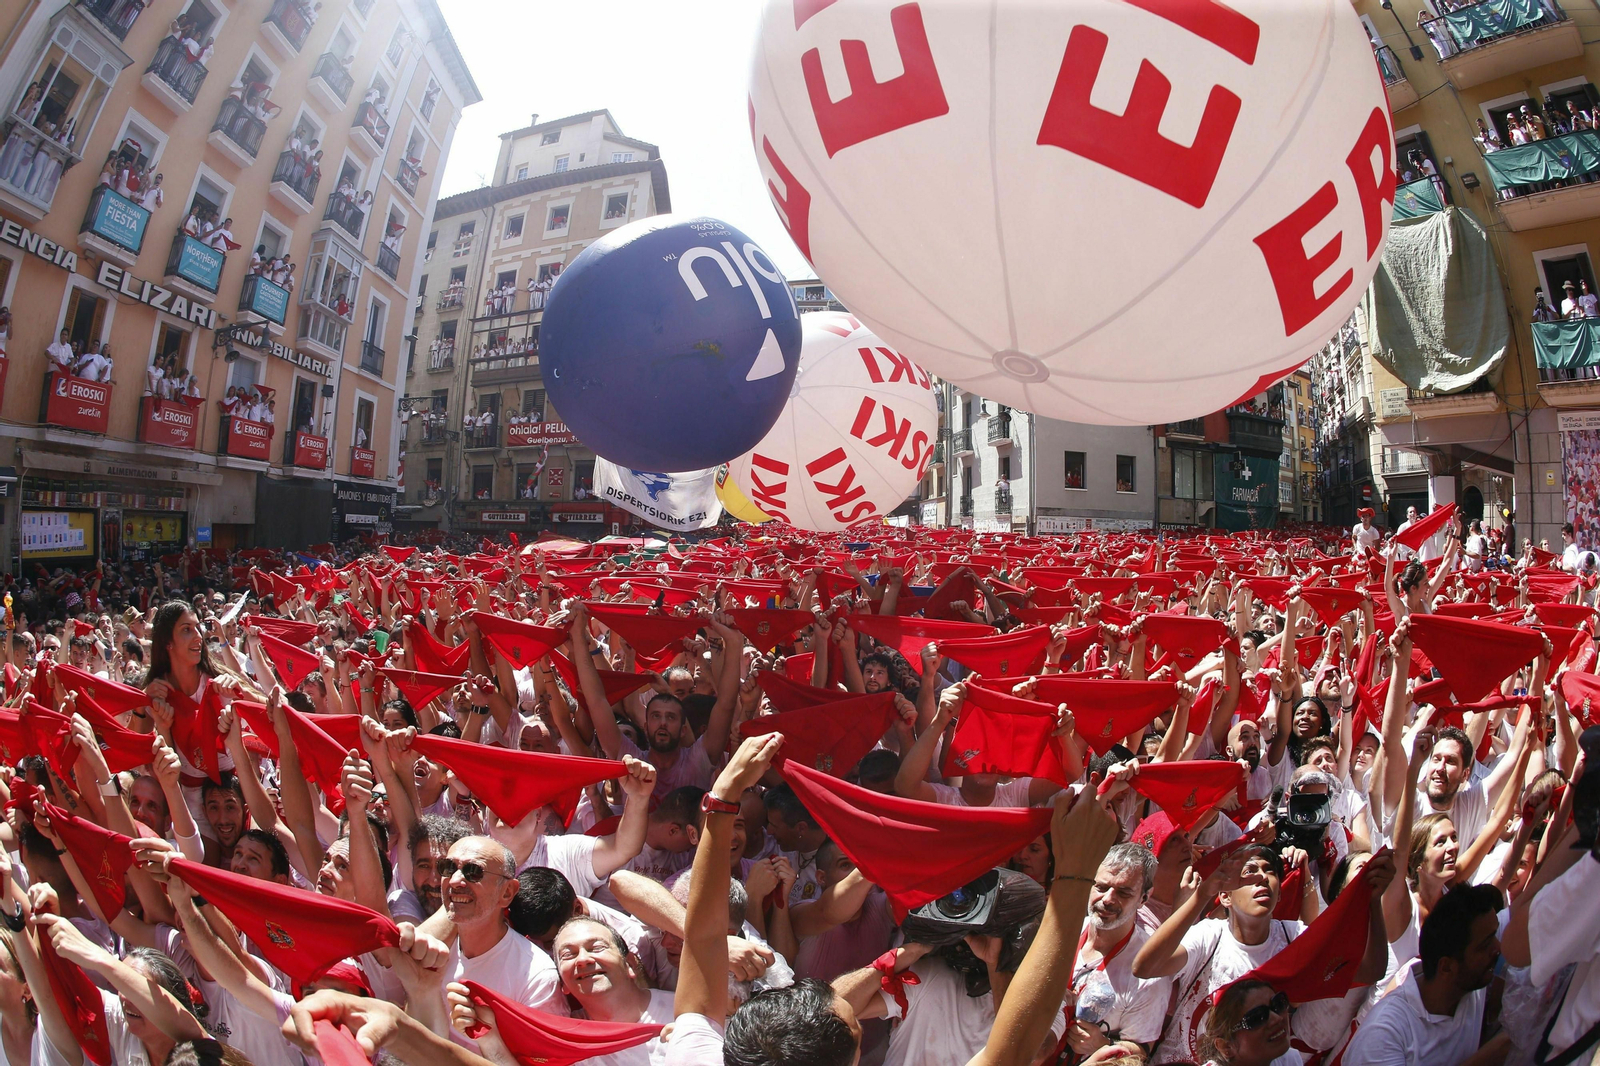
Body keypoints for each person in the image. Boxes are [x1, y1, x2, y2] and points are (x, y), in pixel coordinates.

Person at [1343, 884, 1507, 1066]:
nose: (1498, 948)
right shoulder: (1382, 1036)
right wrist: (1498, 1048)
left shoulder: (1472, 979)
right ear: (1446, 967)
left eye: (1494, 936)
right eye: (1485, 945)